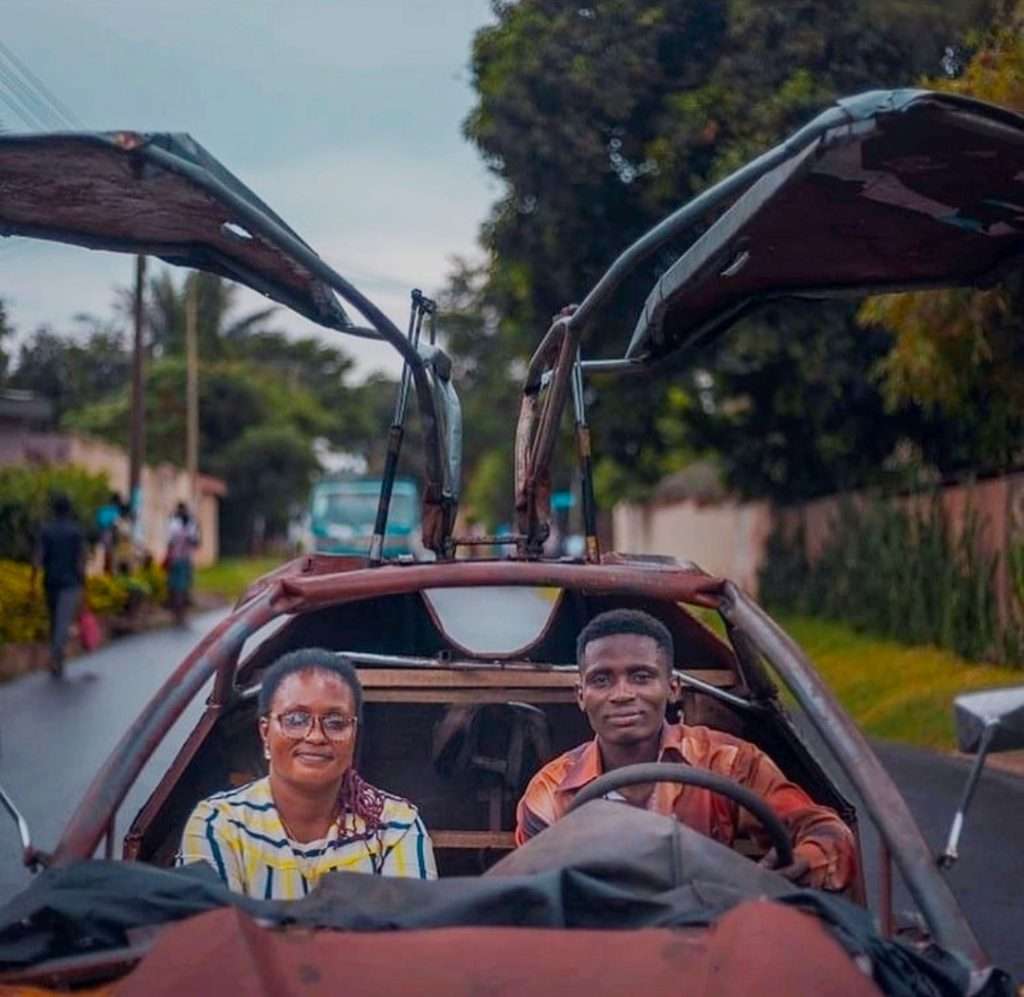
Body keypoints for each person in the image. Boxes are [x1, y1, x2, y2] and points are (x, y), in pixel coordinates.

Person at [515, 609, 857, 890]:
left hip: (706, 944)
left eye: (641, 677)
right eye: (602, 680)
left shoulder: (725, 762)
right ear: (581, 696)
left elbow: (825, 830)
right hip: (598, 948)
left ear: (673, 687)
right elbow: (533, 896)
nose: (621, 694)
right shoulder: (552, 790)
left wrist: (801, 864)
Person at [177, 649, 437, 898]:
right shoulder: (218, 825)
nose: (315, 736)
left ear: (354, 734)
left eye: (335, 723)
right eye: (296, 720)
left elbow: (412, 938)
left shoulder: (395, 826)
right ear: (265, 733)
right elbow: (215, 937)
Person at [33, 493, 86, 678]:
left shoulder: (46, 530)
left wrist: (31, 582)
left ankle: (58, 658)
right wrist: (83, 583)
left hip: (50, 582)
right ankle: (56, 658)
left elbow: (38, 557)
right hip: (69, 584)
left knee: (55, 621)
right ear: (69, 510)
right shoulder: (75, 532)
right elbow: (80, 560)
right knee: (62, 623)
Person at [165, 501, 199, 625]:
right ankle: (177, 613)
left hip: (183, 559)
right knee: (178, 587)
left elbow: (195, 542)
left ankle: (181, 613)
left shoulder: (187, 524)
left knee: (182, 587)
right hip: (179, 559)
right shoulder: (177, 524)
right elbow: (171, 543)